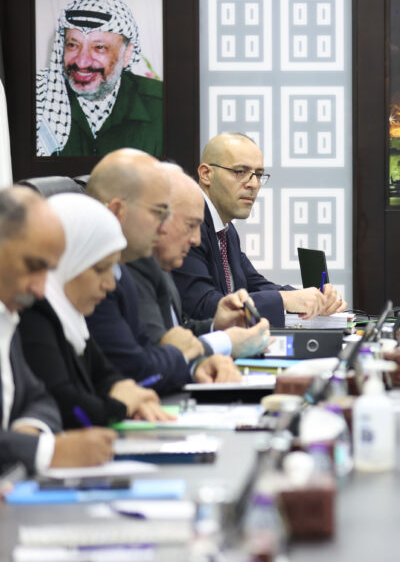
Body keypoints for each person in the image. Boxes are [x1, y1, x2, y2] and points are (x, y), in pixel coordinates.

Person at [84, 149, 241, 395]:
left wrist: (196, 364)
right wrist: (189, 355)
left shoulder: (123, 269)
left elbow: (152, 351)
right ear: (117, 212)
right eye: (159, 213)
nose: (162, 228)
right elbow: (139, 371)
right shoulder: (96, 278)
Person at [19, 193, 173, 427]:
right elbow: (67, 406)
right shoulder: (33, 315)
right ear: (67, 262)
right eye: (101, 269)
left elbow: (104, 374)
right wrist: (121, 405)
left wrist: (120, 387)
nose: (110, 284)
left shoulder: (72, 318)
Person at [173, 132, 346, 327]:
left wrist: (311, 299)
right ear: (206, 174)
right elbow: (202, 305)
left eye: (258, 174)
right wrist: (285, 300)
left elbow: (255, 284)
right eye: (240, 171)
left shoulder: (227, 231)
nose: (254, 184)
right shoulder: (187, 225)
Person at [0, 187, 115, 472]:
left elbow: (39, 398)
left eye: (48, 271)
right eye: (33, 266)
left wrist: (29, 430)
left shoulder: (9, 313)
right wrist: (44, 451)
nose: (41, 290)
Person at [128, 164, 271, 356]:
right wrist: (225, 342)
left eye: (259, 175)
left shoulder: (161, 267)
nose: (196, 239)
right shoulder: (133, 268)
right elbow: (154, 357)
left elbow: (177, 331)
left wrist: (216, 325)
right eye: (190, 225)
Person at [35, 0, 162, 157]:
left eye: (99, 47)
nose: (82, 62)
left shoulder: (162, 105)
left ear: (127, 54)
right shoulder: (39, 98)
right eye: (73, 45)